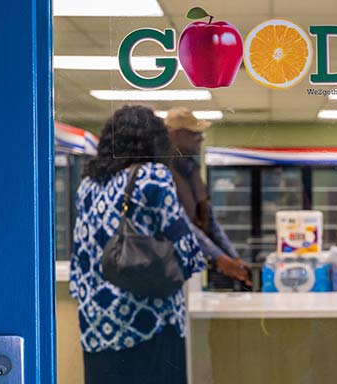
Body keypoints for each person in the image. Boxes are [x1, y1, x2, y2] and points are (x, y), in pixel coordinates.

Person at [69, 105, 206, 384]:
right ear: (154, 140)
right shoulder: (152, 175)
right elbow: (187, 251)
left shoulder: (87, 186)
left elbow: (81, 261)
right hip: (147, 326)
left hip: (96, 329)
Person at [164, 107, 251, 285]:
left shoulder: (191, 171)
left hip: (189, 262)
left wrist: (233, 257)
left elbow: (209, 219)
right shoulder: (161, 173)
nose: (201, 138)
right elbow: (179, 221)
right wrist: (219, 258)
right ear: (177, 135)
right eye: (195, 133)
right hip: (166, 268)